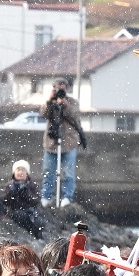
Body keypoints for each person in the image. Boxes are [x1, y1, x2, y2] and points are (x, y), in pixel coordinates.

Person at [40, 80, 85, 208]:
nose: (60, 91)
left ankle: (67, 197)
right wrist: (49, 101)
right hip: (51, 142)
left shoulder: (72, 102)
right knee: (48, 171)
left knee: (68, 173)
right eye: (57, 89)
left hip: (69, 142)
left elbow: (75, 116)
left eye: (62, 89)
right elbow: (43, 114)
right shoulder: (50, 102)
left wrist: (65, 105)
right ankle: (46, 196)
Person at [3, 160, 45, 239]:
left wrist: (26, 193)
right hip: (16, 210)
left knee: (38, 221)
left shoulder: (32, 185)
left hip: (31, 210)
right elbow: (5, 201)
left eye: (23, 170)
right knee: (19, 215)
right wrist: (12, 192)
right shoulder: (9, 185)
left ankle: (38, 236)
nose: (20, 172)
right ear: (14, 173)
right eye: (18, 170)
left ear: (27, 173)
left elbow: (36, 200)